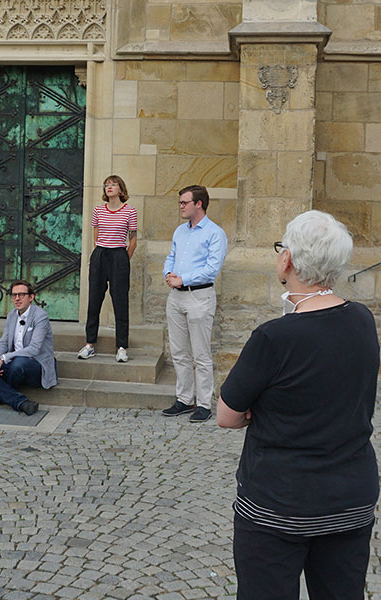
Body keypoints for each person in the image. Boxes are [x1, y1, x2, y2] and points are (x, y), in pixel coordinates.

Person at [217, 211, 378, 600]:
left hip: (279, 503)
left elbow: (226, 414)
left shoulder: (274, 337)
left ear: (287, 260)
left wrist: (262, 407)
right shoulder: (362, 319)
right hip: (350, 498)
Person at [160, 185, 227, 423]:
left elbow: (212, 269)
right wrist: (168, 273)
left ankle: (203, 404)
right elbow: (171, 256)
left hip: (199, 296)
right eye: (180, 202)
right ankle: (184, 399)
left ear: (198, 204)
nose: (181, 206)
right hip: (176, 297)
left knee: (201, 353)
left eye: (184, 202)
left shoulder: (214, 233)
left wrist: (183, 279)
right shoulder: (180, 231)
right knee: (178, 351)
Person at [0, 280, 57, 416]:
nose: (17, 298)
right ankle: (20, 402)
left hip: (36, 365)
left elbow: (34, 349)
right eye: (14, 295)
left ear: (31, 297)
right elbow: (4, 343)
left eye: (21, 294)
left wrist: (3, 358)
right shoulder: (12, 315)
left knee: (19, 363)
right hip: (14, 364)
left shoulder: (40, 316)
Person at [77, 175, 137, 363]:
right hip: (101, 254)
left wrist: (122, 261)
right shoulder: (98, 211)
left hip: (119, 254)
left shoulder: (130, 211)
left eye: (113, 184)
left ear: (121, 189)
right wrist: (99, 256)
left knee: (120, 302)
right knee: (94, 300)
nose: (109, 187)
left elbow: (133, 240)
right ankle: (89, 344)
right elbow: (96, 236)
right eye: (106, 185)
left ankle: (121, 347)